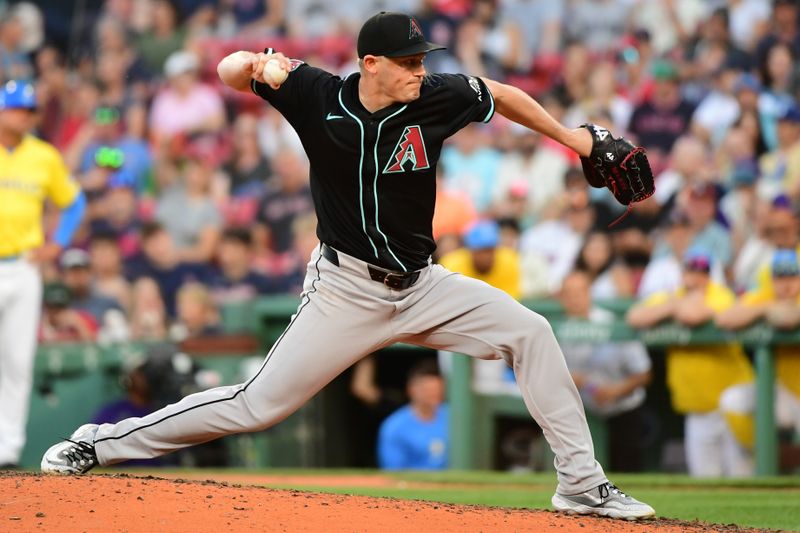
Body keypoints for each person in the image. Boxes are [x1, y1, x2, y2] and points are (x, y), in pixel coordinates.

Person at [42, 12, 654, 520]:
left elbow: (499, 94)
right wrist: (256, 65)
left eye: (422, 59)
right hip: (346, 290)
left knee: (532, 332)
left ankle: (580, 483)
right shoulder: (315, 93)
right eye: (410, 61)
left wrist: (575, 139)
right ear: (372, 65)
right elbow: (226, 71)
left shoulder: (436, 97)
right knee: (258, 406)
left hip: (423, 284)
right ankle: (97, 443)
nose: (421, 70)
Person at [0, 80, 85, 469]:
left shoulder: (43, 156)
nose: (24, 115)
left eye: (29, 109)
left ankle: (8, 451)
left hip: (23, 266)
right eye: (17, 108)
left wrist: (58, 242)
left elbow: (74, 201)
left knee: (17, 360)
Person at [627, 248, 754, 477]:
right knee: (704, 480)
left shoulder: (720, 294)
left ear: (709, 275)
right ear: (682, 272)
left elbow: (692, 316)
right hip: (697, 409)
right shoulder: (674, 296)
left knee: (741, 477)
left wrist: (674, 307)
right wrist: (674, 304)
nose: (696, 277)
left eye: (702, 271)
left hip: (731, 407)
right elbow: (635, 316)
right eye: (691, 270)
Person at [559, 271, 652, 472]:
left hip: (623, 408)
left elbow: (644, 373)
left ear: (589, 293)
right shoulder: (560, 329)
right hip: (585, 414)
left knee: (627, 475)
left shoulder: (612, 324)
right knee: (585, 478)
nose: (574, 299)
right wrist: (576, 380)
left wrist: (614, 391)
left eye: (579, 292)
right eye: (569, 294)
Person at [716, 249, 800, 459]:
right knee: (732, 400)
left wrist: (775, 309)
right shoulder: (766, 295)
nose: (786, 283)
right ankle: (764, 454)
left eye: (792, 275)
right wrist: (766, 307)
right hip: (786, 392)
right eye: (780, 277)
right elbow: (725, 319)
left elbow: (788, 319)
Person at [377, 360, 449, 470]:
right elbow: (394, 472)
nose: (433, 394)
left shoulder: (453, 416)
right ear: (412, 390)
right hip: (415, 485)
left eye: (437, 390)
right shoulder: (395, 426)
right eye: (428, 390)